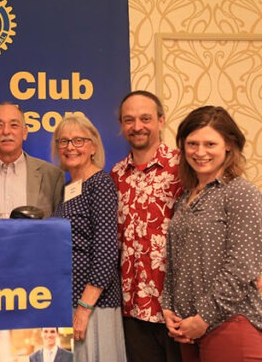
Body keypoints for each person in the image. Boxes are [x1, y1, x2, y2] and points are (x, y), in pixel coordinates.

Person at [162, 106, 262, 361]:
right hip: (187, 328)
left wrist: (204, 317)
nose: (200, 152)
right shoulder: (186, 196)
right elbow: (175, 261)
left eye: (210, 143)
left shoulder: (241, 193)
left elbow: (242, 267)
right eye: (192, 144)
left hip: (230, 323)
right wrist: (169, 307)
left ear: (228, 145)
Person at [110, 90, 182, 362]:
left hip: (176, 309)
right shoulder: (116, 174)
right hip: (133, 309)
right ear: (121, 125)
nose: (137, 126)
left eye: (145, 118)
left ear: (161, 121)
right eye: (129, 120)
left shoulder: (182, 167)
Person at [51, 115, 126, 361]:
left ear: (93, 146)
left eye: (78, 140)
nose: (70, 147)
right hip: (67, 299)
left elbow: (105, 251)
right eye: (63, 142)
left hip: (93, 304)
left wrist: (84, 308)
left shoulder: (101, 184)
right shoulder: (67, 188)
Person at [0, 102, 64, 219]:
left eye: (14, 125)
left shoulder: (52, 175)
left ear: (25, 132)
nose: (6, 131)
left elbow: (57, 228)